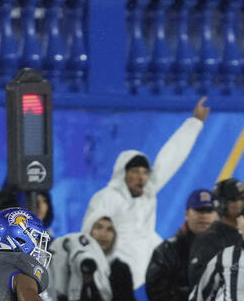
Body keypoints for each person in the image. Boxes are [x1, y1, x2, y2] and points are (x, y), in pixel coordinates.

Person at [80, 97, 209, 288]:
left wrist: (195, 123)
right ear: (123, 174)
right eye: (135, 172)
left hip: (146, 278)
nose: (141, 177)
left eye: (144, 172)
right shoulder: (106, 198)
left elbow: (171, 157)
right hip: (111, 278)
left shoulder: (148, 193)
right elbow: (89, 234)